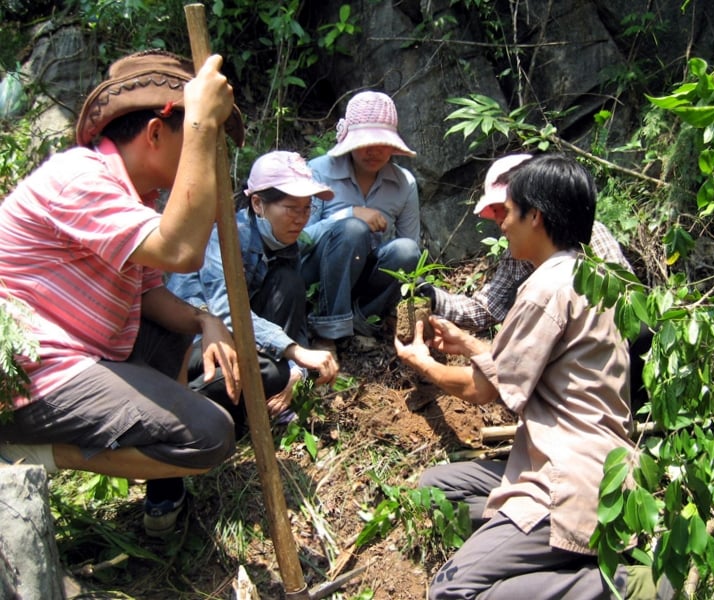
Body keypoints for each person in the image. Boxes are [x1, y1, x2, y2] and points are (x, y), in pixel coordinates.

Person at [0, 49, 243, 538]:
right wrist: (200, 123)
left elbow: (150, 294)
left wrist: (203, 320)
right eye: (200, 141)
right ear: (156, 133)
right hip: (31, 378)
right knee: (211, 437)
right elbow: (180, 250)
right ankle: (36, 453)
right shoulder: (80, 180)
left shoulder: (136, 196)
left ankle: (162, 488)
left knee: (169, 332)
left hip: (82, 357)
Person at [395, 153, 640, 598]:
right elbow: (529, 360)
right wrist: (468, 344)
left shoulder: (548, 286)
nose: (502, 224)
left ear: (536, 216)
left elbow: (483, 388)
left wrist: (423, 364)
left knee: (449, 591)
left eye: (507, 212)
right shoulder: (587, 277)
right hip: (590, 466)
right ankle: (549, 550)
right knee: (433, 491)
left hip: (569, 474)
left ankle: (623, 584)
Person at [167, 150, 340, 438]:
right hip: (194, 346)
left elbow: (293, 317)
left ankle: (266, 399)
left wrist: (298, 371)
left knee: (289, 283)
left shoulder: (285, 244)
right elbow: (225, 314)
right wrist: (294, 352)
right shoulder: (227, 238)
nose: (301, 219)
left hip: (242, 341)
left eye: (306, 209)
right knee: (271, 373)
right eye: (291, 208)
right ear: (258, 204)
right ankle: (173, 411)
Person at [421, 153, 632, 332]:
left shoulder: (591, 237)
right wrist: (433, 297)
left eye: (504, 208)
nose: (499, 220)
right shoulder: (516, 257)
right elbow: (487, 307)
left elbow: (625, 297)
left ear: (533, 209)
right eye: (494, 211)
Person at [301, 91, 421, 353]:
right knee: (352, 229)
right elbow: (300, 241)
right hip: (318, 276)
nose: (374, 150)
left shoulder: (405, 184)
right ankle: (327, 332)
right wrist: (347, 215)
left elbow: (412, 253)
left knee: (407, 251)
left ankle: (362, 321)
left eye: (382, 142)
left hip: (366, 279)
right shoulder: (319, 171)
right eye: (366, 141)